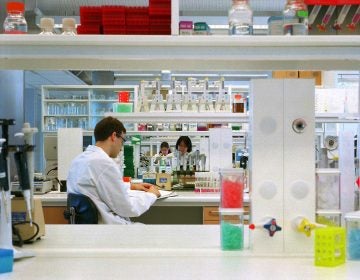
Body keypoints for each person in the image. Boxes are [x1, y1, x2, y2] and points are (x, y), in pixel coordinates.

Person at [67, 116, 160, 224]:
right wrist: (151, 195)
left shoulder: (78, 160)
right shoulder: (104, 163)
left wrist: (131, 186)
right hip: (108, 231)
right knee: (155, 234)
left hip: (87, 230)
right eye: (123, 140)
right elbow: (128, 208)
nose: (121, 147)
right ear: (114, 136)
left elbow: (97, 188)